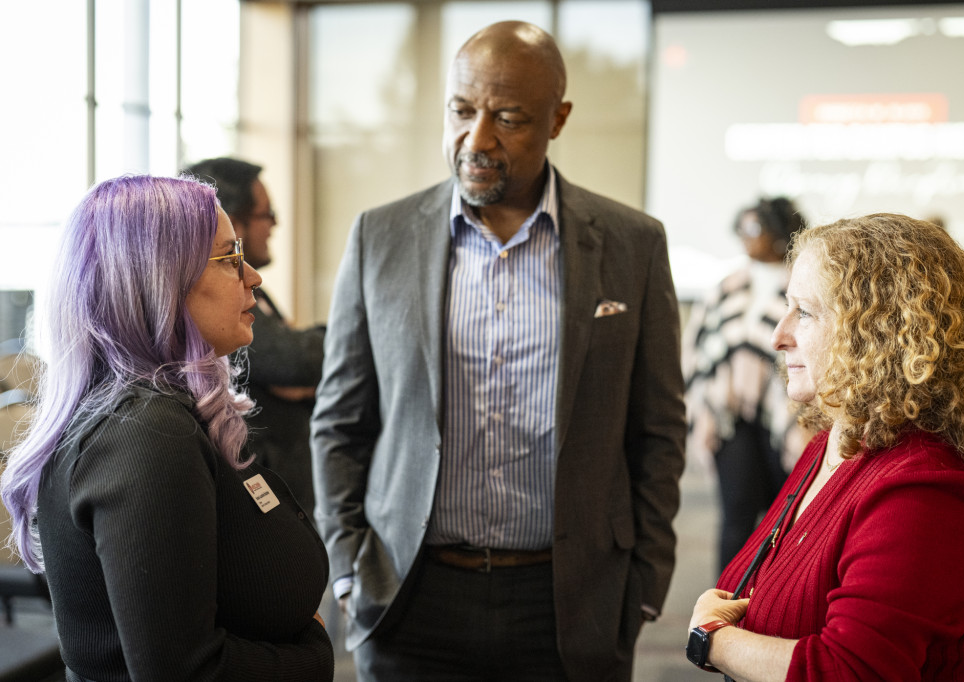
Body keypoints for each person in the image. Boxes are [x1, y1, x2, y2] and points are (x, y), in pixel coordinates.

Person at [311, 20, 687, 682]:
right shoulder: (381, 237)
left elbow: (658, 429)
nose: (477, 140)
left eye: (508, 118)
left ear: (558, 118)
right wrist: (346, 567)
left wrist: (646, 579)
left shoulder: (633, 244)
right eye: (461, 111)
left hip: (569, 600)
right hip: (408, 595)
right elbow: (340, 421)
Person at [0, 175, 334, 680]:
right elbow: (184, 670)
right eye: (227, 259)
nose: (252, 278)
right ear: (157, 280)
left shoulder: (153, 412)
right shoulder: (145, 432)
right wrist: (315, 654)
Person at [685, 213, 964, 681]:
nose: (777, 336)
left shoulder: (928, 490)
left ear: (878, 332)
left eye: (804, 312)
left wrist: (714, 642)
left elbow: (847, 671)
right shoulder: (833, 442)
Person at [183, 157, 325, 513]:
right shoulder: (153, 425)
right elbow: (296, 361)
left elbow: (296, 365)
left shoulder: (252, 296)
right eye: (267, 213)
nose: (276, 223)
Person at [683, 197, 811, 574]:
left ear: (778, 231)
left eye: (753, 229)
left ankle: (778, 597)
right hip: (729, 418)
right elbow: (699, 348)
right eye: (741, 227)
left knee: (787, 517)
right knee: (736, 515)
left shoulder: (802, 284)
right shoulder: (727, 286)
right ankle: (723, 605)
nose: (744, 237)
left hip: (789, 417)